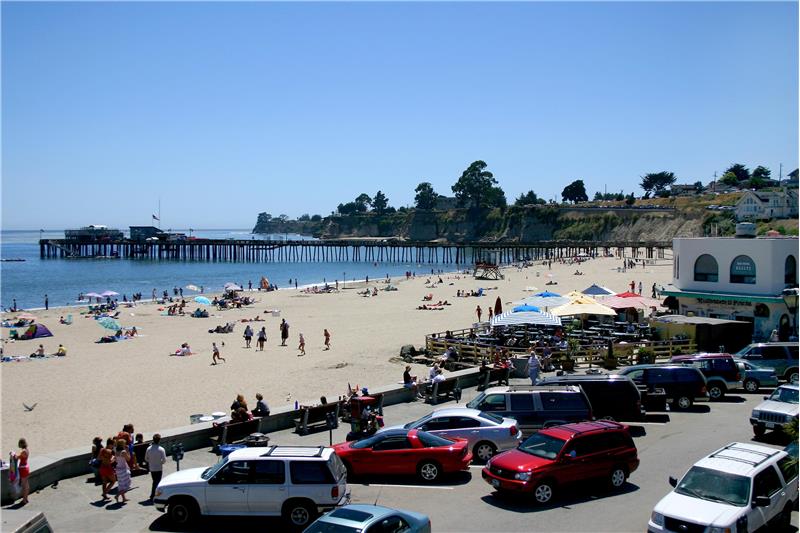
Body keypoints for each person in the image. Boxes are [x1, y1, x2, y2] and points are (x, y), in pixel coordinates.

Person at [144, 434, 166, 501]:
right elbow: (164, 460)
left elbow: (146, 459)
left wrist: (151, 462)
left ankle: (154, 494)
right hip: (159, 468)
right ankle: (154, 495)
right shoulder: (161, 449)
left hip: (152, 468)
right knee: (157, 481)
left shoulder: (149, 449)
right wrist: (160, 463)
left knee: (154, 481)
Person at [17, 438, 30, 504]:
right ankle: (26, 499)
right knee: (27, 485)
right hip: (26, 467)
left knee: (24, 485)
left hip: (23, 469)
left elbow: (17, 457)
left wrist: (12, 454)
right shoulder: (27, 450)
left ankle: (24, 500)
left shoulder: (23, 451)